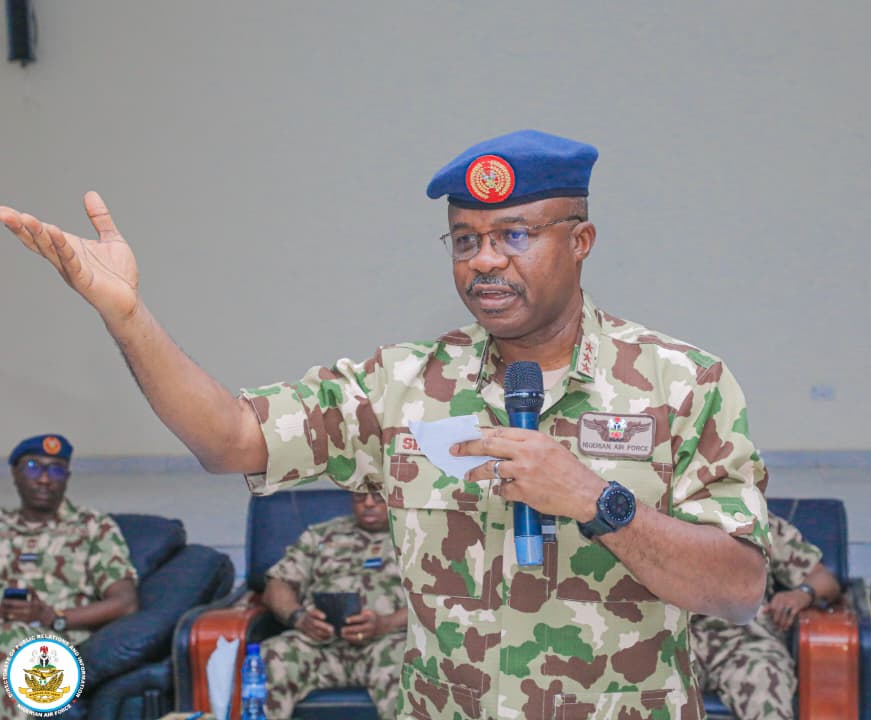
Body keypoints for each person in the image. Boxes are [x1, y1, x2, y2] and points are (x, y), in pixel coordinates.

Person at [1, 129, 770, 719]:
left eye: (515, 234)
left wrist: (597, 501)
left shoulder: (682, 383)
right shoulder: (402, 386)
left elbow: (738, 589)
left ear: (581, 241)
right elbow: (230, 437)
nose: (485, 261)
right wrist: (129, 317)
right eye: (465, 240)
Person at [0, 434, 139, 719]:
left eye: (56, 469)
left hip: (55, 642)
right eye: (33, 467)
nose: (44, 479)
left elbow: (125, 602)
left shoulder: (92, 527)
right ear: (14, 473)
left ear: (67, 477)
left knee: (12, 643)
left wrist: (54, 616)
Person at [260, 490, 405, 720]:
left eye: (378, 496)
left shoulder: (418, 537)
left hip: (389, 643)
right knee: (272, 655)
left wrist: (387, 624)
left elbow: (445, 599)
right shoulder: (320, 535)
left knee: (412, 666)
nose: (368, 503)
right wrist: (299, 618)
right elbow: (277, 586)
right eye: (360, 495)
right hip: (320, 645)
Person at [690, 512, 841, 720]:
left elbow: (825, 580)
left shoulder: (756, 518)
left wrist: (801, 594)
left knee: (766, 682)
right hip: (673, 639)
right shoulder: (658, 518)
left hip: (743, 640)